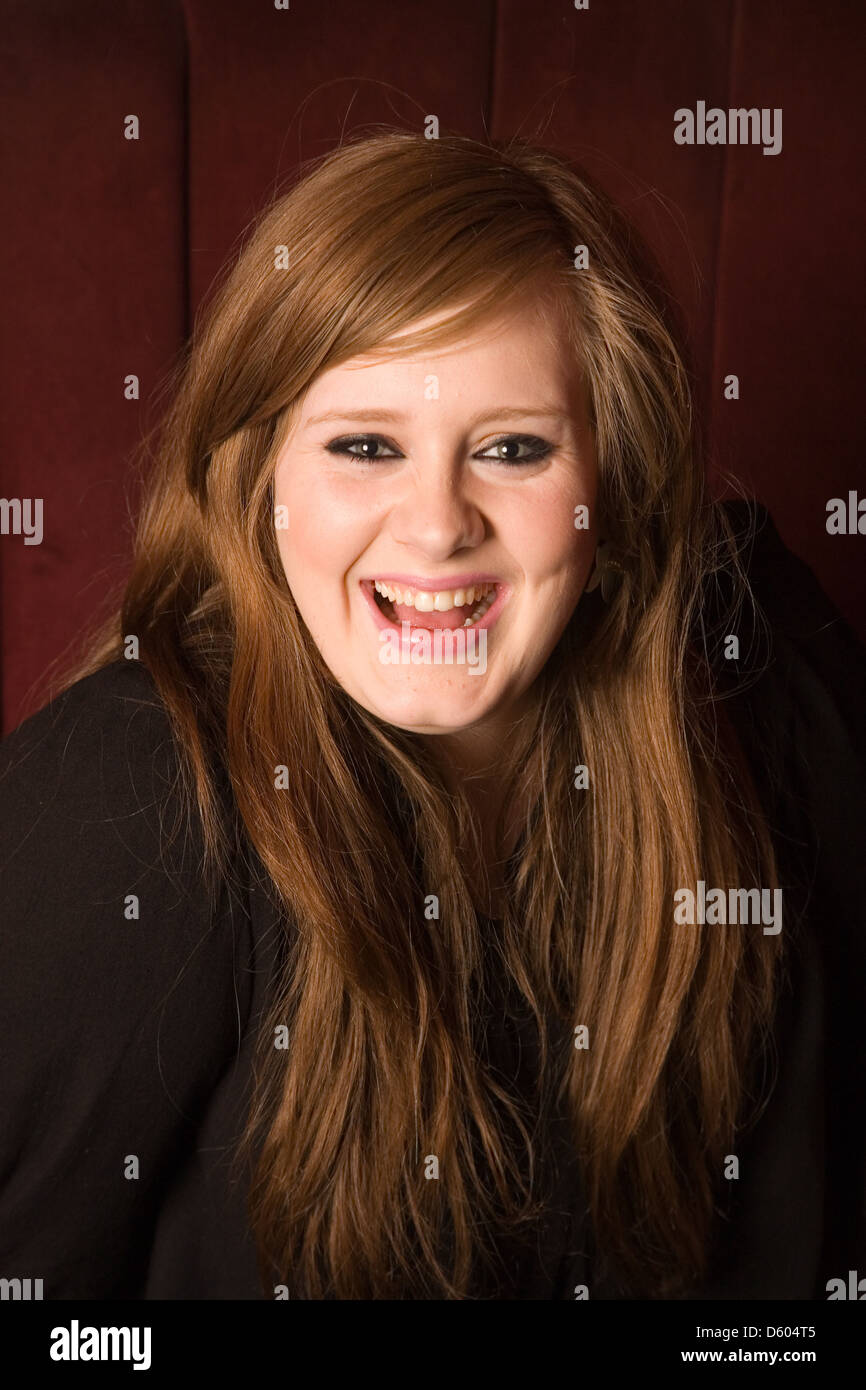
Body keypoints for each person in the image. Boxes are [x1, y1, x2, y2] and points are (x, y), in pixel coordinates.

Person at [1, 130, 863, 1301]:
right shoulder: (124, 803)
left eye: (511, 449)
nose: (435, 525)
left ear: (609, 489)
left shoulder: (756, 692)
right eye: (364, 446)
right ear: (260, 487)